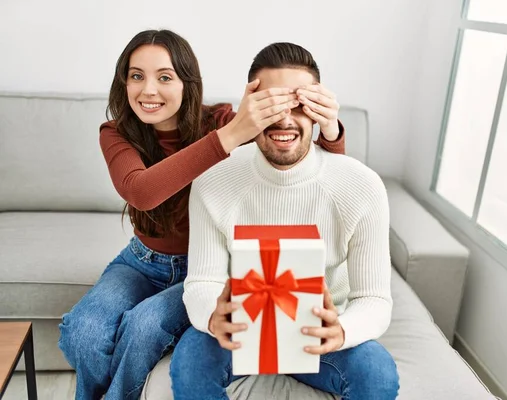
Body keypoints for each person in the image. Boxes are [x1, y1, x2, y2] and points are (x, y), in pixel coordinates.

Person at [57, 30, 346, 400]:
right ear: (123, 82)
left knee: (145, 326)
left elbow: (314, 173)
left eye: (164, 77)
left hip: (206, 266)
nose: (148, 90)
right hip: (142, 260)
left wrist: (330, 128)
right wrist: (230, 136)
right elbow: (142, 192)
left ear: (187, 81)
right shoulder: (116, 133)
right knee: (83, 332)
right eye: (136, 76)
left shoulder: (222, 119)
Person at [171, 42, 399, 400]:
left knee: (378, 375)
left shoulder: (362, 186)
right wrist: (214, 317)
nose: (284, 119)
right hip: (240, 328)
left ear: (319, 111)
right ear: (249, 110)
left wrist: (341, 330)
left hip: (322, 333)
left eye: (298, 104)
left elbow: (374, 299)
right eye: (270, 105)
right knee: (189, 363)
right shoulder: (213, 181)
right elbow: (201, 281)